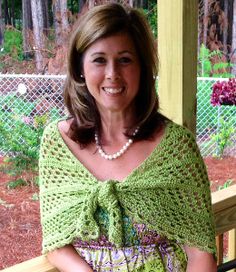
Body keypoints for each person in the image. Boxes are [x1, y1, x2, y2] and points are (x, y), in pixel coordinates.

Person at [39, 3, 217, 272]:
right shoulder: (57, 143)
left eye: (125, 59)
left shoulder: (176, 147)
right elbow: (55, 241)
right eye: (99, 60)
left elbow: (200, 252)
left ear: (142, 68)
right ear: (79, 68)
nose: (112, 74)